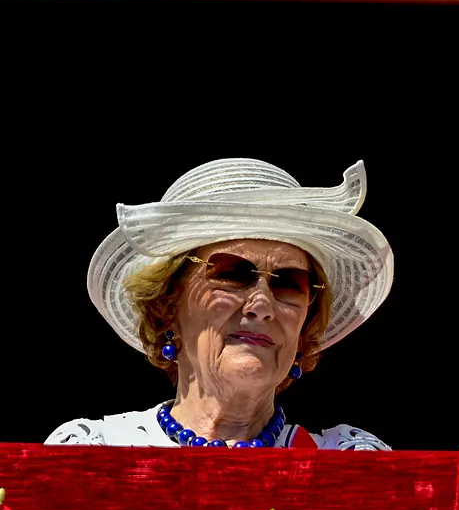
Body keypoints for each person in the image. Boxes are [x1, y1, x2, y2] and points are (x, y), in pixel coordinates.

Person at [46, 157, 393, 450]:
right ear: (167, 304)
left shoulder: (352, 463)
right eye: (233, 274)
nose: (261, 305)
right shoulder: (92, 452)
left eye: (289, 282)